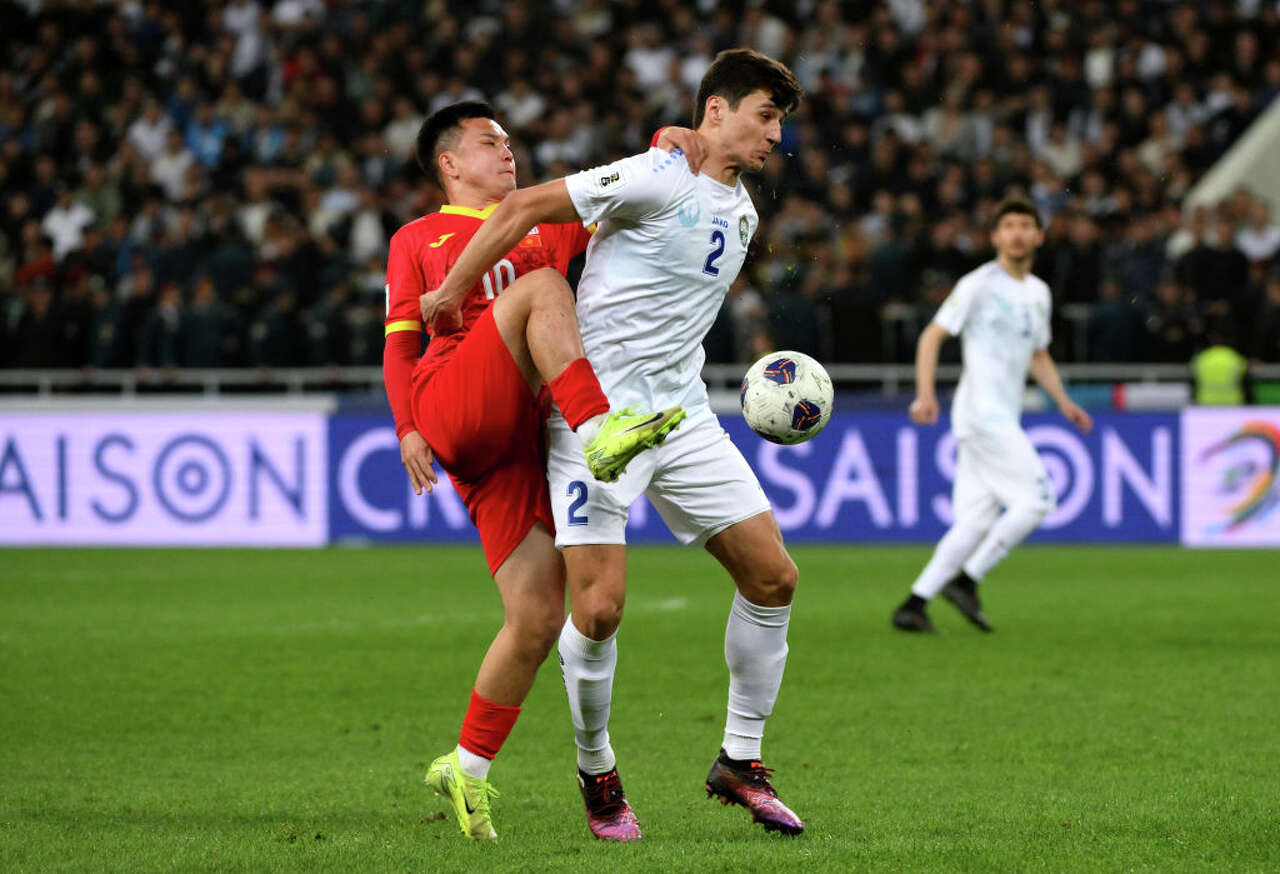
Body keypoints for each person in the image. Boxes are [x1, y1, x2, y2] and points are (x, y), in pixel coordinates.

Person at [419, 49, 806, 841]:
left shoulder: (743, 212)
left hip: (684, 417)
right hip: (593, 416)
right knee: (596, 611)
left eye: (780, 122)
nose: (776, 135)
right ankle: (597, 771)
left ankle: (741, 760)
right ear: (716, 111)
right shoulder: (657, 172)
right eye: (765, 115)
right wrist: (454, 290)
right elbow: (524, 206)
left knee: (773, 579)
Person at [383, 101, 695, 841]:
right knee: (545, 289)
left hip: (518, 440)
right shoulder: (417, 238)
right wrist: (406, 429)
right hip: (456, 397)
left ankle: (467, 767)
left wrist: (664, 142)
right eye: (490, 144)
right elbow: (400, 344)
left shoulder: (541, 222)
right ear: (450, 164)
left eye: (512, 143)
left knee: (535, 618)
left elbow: (618, 191)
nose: (509, 155)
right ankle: (601, 427)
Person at [892, 197, 1094, 634]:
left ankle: (914, 604)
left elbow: (1037, 353)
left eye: (1025, 225)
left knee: (979, 518)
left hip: (1003, 413)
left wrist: (1064, 402)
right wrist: (925, 394)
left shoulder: (1039, 292)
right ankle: (967, 580)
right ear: (996, 237)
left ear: (1039, 236)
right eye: (1008, 225)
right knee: (1039, 498)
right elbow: (932, 336)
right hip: (981, 413)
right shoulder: (979, 284)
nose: (1017, 232)